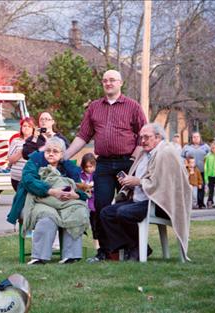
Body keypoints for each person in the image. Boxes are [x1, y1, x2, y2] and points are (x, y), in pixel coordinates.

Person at [63, 69, 147, 262]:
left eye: (112, 80)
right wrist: (65, 155)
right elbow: (83, 135)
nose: (108, 83)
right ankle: (104, 251)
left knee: (127, 208)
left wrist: (134, 161)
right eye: (105, 81)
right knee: (99, 208)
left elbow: (143, 135)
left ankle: (135, 248)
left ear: (120, 83)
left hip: (127, 163)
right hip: (104, 164)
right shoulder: (94, 107)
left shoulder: (132, 106)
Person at [100, 123, 192, 261]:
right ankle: (135, 247)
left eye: (146, 137)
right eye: (141, 137)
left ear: (158, 137)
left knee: (123, 212)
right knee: (106, 213)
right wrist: (129, 183)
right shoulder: (144, 154)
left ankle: (135, 249)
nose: (142, 141)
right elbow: (142, 178)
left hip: (160, 202)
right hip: (141, 199)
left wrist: (138, 182)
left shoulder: (166, 153)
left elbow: (164, 185)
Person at [7, 137, 90, 265]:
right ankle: (39, 257)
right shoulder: (34, 161)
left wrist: (75, 195)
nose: (51, 153)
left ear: (62, 154)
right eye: (48, 150)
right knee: (47, 217)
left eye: (55, 151)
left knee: (77, 211)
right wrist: (51, 191)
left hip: (63, 203)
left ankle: (72, 256)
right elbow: (28, 181)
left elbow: (81, 189)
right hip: (37, 200)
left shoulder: (68, 167)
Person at [180, 132, 210, 209]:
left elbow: (210, 156)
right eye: (194, 137)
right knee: (190, 187)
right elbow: (181, 157)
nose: (196, 138)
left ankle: (200, 203)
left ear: (200, 138)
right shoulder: (187, 147)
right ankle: (190, 204)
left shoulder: (205, 146)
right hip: (190, 171)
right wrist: (185, 163)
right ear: (191, 138)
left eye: (197, 137)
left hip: (201, 170)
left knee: (201, 187)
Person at [8, 117, 35, 191]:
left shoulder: (36, 142)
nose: (26, 128)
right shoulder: (16, 141)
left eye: (29, 126)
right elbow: (10, 159)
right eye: (24, 126)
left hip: (30, 177)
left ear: (33, 129)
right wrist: (23, 150)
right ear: (21, 128)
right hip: (16, 178)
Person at [79, 153, 98, 249]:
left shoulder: (97, 174)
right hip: (83, 203)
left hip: (93, 204)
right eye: (87, 167)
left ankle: (97, 246)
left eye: (91, 166)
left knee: (95, 225)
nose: (89, 169)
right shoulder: (80, 175)